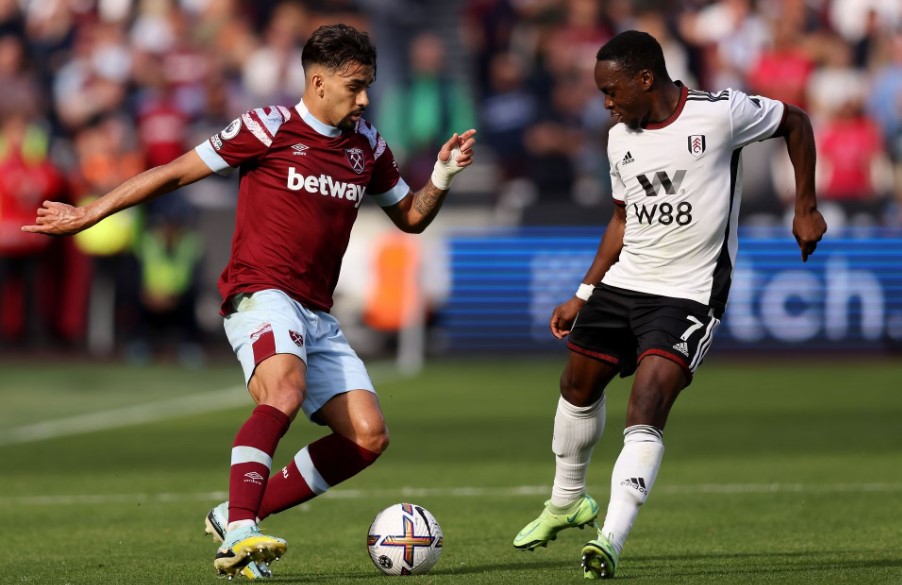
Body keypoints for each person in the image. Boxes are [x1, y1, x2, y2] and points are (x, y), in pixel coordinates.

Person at [23, 23, 477, 580]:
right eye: (355, 85)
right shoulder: (268, 127)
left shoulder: (368, 147)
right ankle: (240, 536)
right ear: (317, 81)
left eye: (369, 86)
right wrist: (90, 211)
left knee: (367, 434)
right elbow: (174, 173)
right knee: (284, 390)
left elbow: (410, 217)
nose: (364, 98)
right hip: (261, 292)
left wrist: (443, 175)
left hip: (316, 310)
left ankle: (237, 514)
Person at [511, 30, 826, 580]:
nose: (606, 103)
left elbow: (795, 121)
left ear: (645, 79)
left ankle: (610, 538)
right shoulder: (618, 138)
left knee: (647, 402)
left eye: (611, 91)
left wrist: (805, 207)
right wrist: (583, 293)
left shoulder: (720, 113)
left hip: (689, 292)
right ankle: (566, 502)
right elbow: (620, 219)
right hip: (626, 281)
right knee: (575, 388)